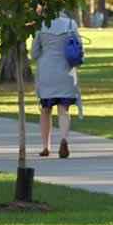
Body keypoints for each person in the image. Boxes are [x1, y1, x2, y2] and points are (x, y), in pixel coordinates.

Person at [32, 11, 82, 159]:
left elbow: (34, 53)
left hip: (47, 72)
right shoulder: (71, 24)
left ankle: (45, 146)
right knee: (63, 110)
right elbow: (80, 49)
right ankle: (64, 139)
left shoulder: (41, 26)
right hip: (66, 71)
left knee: (45, 110)